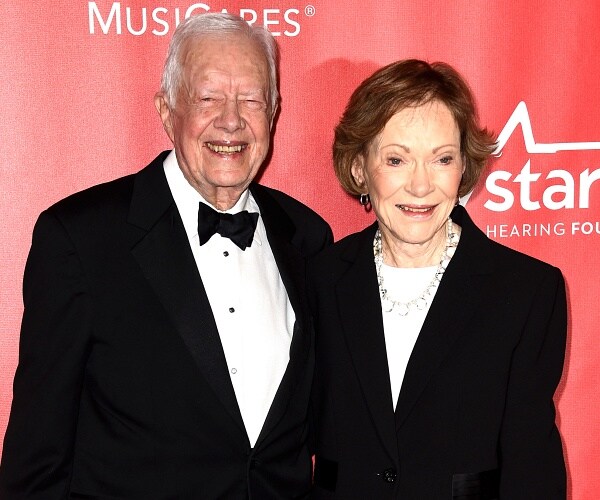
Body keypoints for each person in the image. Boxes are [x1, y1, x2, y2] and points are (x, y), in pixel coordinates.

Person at [0, 12, 332, 499]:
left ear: (275, 111)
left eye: (251, 100)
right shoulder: (79, 240)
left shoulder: (307, 237)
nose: (231, 120)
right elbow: (36, 461)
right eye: (208, 98)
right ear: (166, 109)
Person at [308, 59, 566, 499]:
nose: (421, 185)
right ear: (358, 169)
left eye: (442, 158)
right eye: (396, 159)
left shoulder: (525, 292)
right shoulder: (318, 279)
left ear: (463, 167)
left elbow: (532, 471)